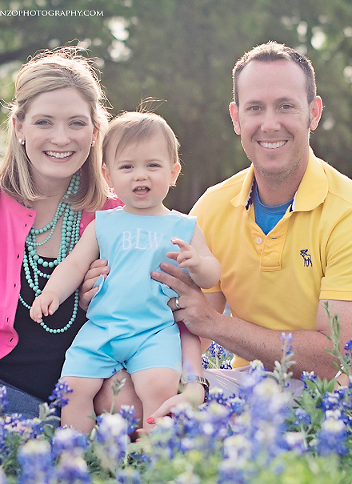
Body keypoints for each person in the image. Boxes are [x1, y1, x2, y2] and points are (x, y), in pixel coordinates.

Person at [145, 41, 352, 415]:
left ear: (313, 113)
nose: (270, 124)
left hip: (344, 389)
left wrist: (216, 326)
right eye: (255, 108)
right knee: (130, 381)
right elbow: (188, 328)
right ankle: (265, 434)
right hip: (249, 385)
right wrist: (110, 296)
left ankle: (273, 436)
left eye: (286, 106)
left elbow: (334, 358)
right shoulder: (211, 206)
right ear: (237, 118)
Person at [0, 48, 205, 419]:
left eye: (76, 123)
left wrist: (193, 381)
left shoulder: (121, 216)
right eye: (44, 122)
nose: (61, 138)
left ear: (96, 132)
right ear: (19, 128)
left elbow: (175, 310)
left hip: (84, 387)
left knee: (129, 408)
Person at [30, 112, 221, 433]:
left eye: (153, 165)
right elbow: (75, 265)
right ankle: (75, 455)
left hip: (155, 331)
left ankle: (150, 455)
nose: (140, 175)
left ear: (174, 172)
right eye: (127, 167)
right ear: (108, 175)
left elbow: (212, 274)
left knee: (159, 388)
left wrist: (198, 264)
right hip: (103, 328)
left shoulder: (183, 226)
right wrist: (51, 292)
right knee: (73, 388)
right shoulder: (104, 223)